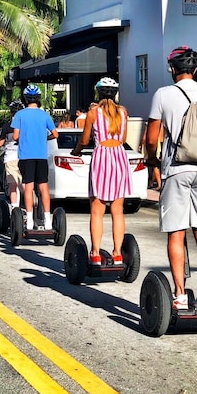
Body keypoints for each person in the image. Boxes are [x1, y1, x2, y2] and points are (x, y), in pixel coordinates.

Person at [145, 46, 197, 311]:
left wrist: (153, 162)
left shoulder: (163, 95)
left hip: (175, 170)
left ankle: (180, 295)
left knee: (176, 233)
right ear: (195, 69)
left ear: (172, 69)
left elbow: (151, 138)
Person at [71, 77, 132, 266]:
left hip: (102, 157)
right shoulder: (123, 113)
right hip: (119, 157)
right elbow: (123, 139)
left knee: (97, 209)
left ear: (98, 93)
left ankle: (96, 253)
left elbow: (85, 139)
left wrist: (77, 151)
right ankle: (117, 253)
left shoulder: (93, 113)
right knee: (117, 210)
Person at [11, 84, 59, 230]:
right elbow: (56, 134)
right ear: (38, 99)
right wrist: (45, 138)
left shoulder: (20, 115)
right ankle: (47, 220)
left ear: (25, 99)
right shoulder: (44, 115)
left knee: (29, 187)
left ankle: (30, 220)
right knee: (44, 187)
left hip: (26, 156)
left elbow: (15, 136)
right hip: (41, 156)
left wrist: (22, 140)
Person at [0, 100, 25, 210]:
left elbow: (1, 142)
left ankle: (14, 209)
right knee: (26, 184)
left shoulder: (7, 126)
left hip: (11, 157)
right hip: (25, 156)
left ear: (11, 112)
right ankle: (31, 208)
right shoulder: (26, 125)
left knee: (13, 185)